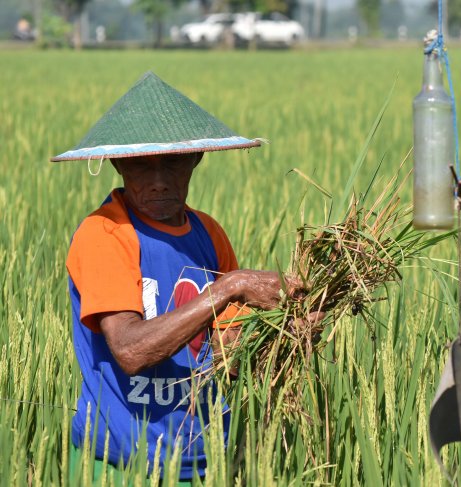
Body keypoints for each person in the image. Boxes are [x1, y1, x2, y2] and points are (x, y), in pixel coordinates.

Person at [52, 72, 296, 482]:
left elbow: (226, 354)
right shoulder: (105, 234)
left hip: (204, 464)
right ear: (118, 163)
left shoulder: (209, 234)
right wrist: (231, 286)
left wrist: (291, 327)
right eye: (142, 166)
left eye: (173, 162)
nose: (160, 181)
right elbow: (130, 350)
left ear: (197, 158)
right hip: (121, 466)